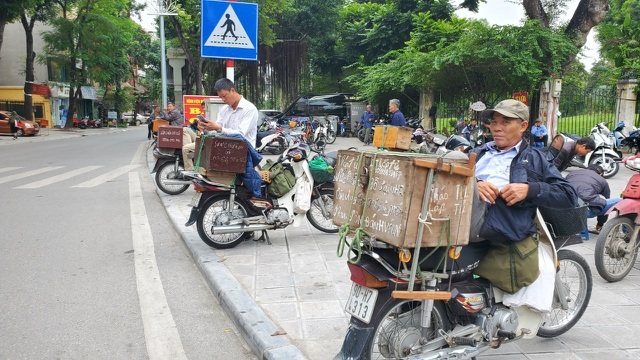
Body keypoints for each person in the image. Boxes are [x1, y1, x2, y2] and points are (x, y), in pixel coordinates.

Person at [469, 99, 578, 293]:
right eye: (494, 122)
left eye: (505, 122)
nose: (497, 128)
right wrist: (475, 184)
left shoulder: (535, 159)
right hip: (463, 221)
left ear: (523, 126)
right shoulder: (479, 153)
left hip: (499, 226)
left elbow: (569, 195)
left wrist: (530, 189)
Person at [183, 78, 258, 172]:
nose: (223, 100)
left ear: (232, 90)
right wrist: (206, 128)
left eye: (224, 96)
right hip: (224, 149)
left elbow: (241, 134)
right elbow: (217, 129)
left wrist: (219, 128)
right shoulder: (225, 109)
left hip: (243, 153)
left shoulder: (249, 109)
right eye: (220, 97)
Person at [566, 164, 622, 234]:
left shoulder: (572, 174)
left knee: (584, 200)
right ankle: (625, 231)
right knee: (621, 201)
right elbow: (605, 205)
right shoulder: (602, 180)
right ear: (601, 174)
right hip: (583, 211)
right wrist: (600, 223)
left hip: (564, 209)